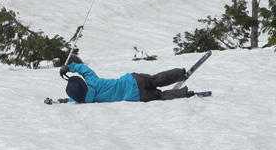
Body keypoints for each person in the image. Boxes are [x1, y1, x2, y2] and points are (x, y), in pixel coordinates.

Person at [59, 62, 196, 103]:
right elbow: (85, 70)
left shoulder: (88, 100)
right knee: (156, 80)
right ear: (83, 83)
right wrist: (70, 68)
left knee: (161, 96)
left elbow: (77, 99)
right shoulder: (93, 82)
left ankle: (185, 93)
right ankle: (180, 73)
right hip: (133, 80)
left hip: (136, 96)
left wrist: (66, 100)